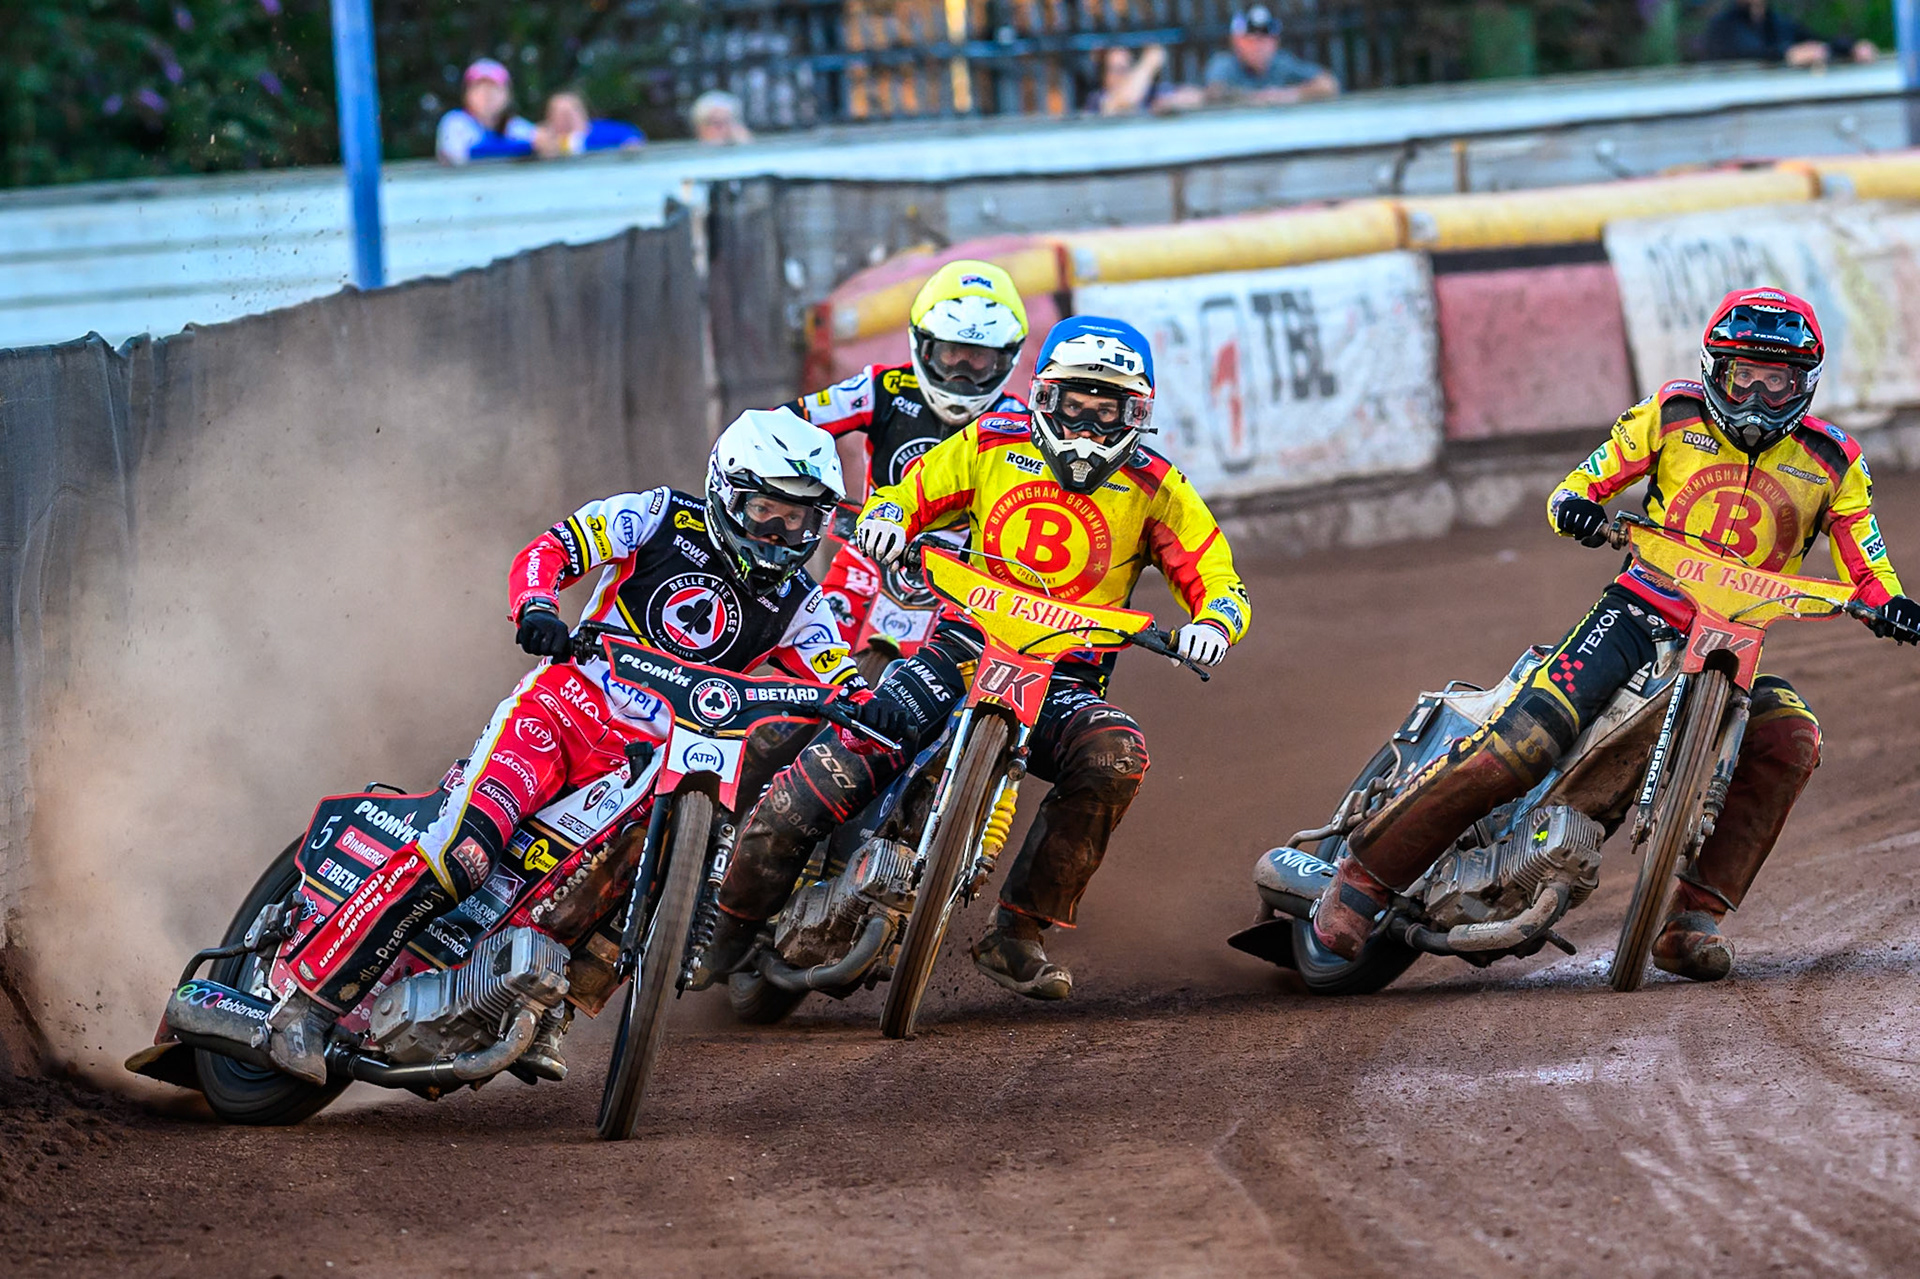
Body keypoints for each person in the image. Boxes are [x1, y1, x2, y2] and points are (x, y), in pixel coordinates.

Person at [264, 410, 909, 1084]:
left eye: (801, 521)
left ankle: (544, 1005)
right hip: (561, 712)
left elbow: (838, 676)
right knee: (465, 854)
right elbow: (553, 547)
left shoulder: (801, 602)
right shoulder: (658, 515)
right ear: (726, 490)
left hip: (653, 763)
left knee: (640, 878)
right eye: (766, 511)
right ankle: (305, 1004)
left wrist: (876, 706)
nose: (782, 535)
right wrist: (537, 604)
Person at [1310, 288, 1918, 982]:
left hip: (1734, 644)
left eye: (1773, 380)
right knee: (1524, 742)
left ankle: (1691, 920)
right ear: (1714, 370)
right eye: (1741, 375)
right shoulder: (1671, 413)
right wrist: (1574, 506)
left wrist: (1892, 605)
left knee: (1792, 737)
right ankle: (1364, 876)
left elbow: (1868, 564)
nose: (1753, 395)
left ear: (1802, 384)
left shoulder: (1834, 460)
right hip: (1637, 612)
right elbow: (1585, 482)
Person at [696, 316, 1252, 1001]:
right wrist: (891, 517)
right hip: (960, 645)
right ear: (1045, 397)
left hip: (1065, 677)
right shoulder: (993, 439)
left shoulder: (1159, 487)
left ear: (1138, 414)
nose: (1085, 428)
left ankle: (1016, 931)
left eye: (1107, 412)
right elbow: (912, 489)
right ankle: (729, 926)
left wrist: (1215, 623)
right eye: (1073, 405)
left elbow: (1218, 577)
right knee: (847, 748)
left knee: (1117, 754)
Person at [795, 259, 1030, 644]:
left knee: (953, 691)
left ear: (1007, 358)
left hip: (964, 581)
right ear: (923, 344)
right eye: (951, 354)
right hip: (867, 555)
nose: (962, 372)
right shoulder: (884, 387)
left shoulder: (1017, 425)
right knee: (811, 662)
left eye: (979, 359)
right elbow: (793, 418)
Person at [1203, 5, 1340, 106]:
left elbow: (1329, 84)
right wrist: (1256, 98)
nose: (1259, 45)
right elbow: (1213, 93)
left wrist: (1288, 94)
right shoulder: (1224, 64)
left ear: (1275, 41)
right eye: (1251, 39)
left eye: (1265, 38)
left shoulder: (1282, 63)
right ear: (1236, 42)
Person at [1697, 0, 1878, 66]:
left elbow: (1815, 41)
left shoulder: (1777, 21)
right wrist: (1787, 55)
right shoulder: (1722, 26)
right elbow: (1747, 52)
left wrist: (1851, 49)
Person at [436, 58, 540, 164]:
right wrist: (530, 145)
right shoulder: (454, 122)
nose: (486, 94)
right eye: (479, 88)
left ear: (508, 95)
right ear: (467, 94)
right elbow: (471, 153)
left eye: (494, 88)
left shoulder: (516, 125)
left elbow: (541, 141)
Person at [1083, 45, 1205, 116]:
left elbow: (1195, 96)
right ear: (1104, 75)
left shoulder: (1148, 92)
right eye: (1117, 69)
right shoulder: (1096, 99)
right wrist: (1149, 63)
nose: (1123, 75)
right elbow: (1122, 103)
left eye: (1127, 68)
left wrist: (1172, 102)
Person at [536, 90, 645, 157]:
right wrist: (536, 144)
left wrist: (631, 144)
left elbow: (631, 134)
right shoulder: (540, 138)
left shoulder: (599, 131)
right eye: (558, 114)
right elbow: (520, 144)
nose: (564, 119)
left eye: (568, 113)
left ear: (582, 112)